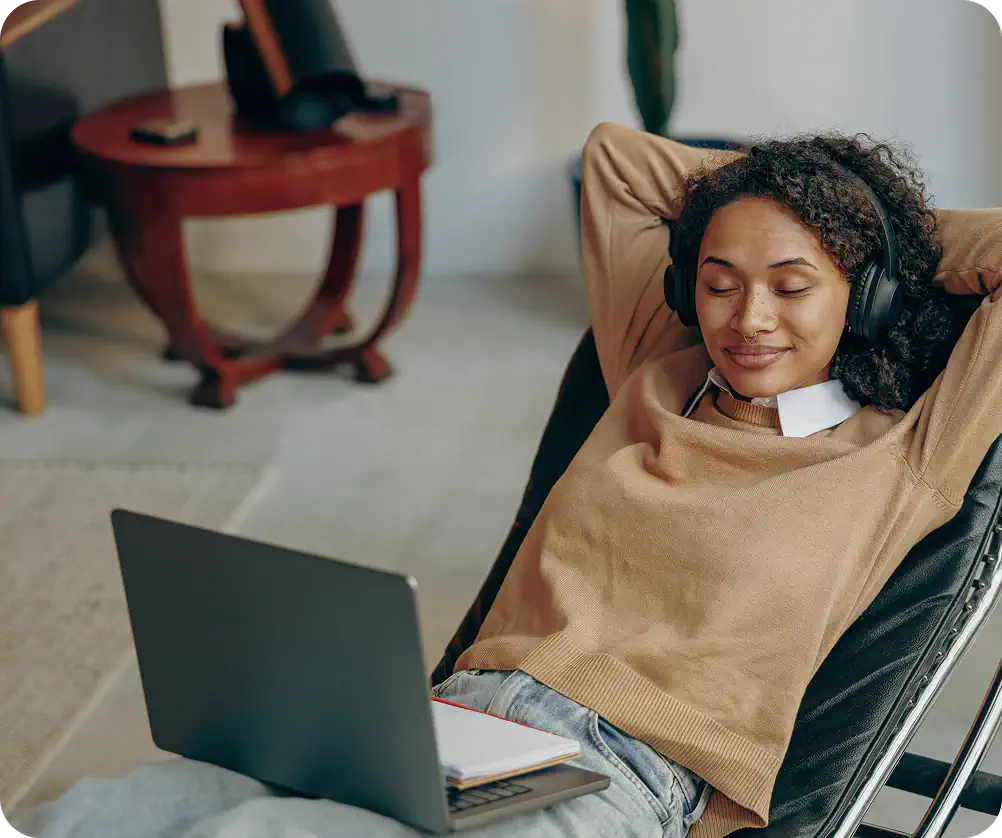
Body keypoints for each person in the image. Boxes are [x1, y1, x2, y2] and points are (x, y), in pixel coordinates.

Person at [16, 124, 1002, 838]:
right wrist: (763, 207)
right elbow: (617, 160)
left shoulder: (903, 454)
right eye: (718, 280)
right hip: (448, 723)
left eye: (792, 286)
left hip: (618, 775)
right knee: (101, 813)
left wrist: (875, 234)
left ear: (865, 299)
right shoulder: (652, 367)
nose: (747, 319)